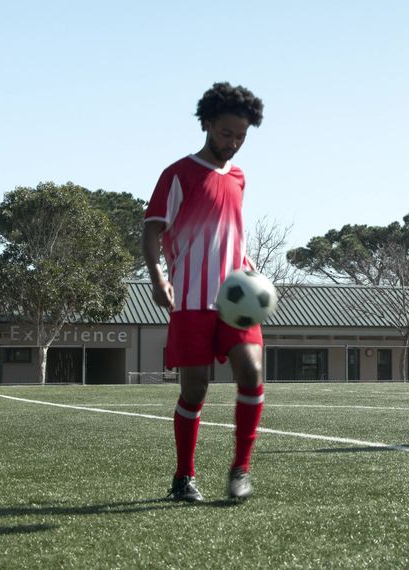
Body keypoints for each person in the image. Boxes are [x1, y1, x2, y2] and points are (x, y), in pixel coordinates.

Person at [142, 82, 266, 501]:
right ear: (208, 124)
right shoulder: (179, 173)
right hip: (191, 302)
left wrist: (251, 273)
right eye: (227, 134)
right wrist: (158, 276)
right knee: (194, 390)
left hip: (235, 300)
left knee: (251, 374)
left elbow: (231, 234)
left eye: (242, 137)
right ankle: (183, 477)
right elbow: (152, 227)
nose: (233, 143)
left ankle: (240, 470)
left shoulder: (240, 177)